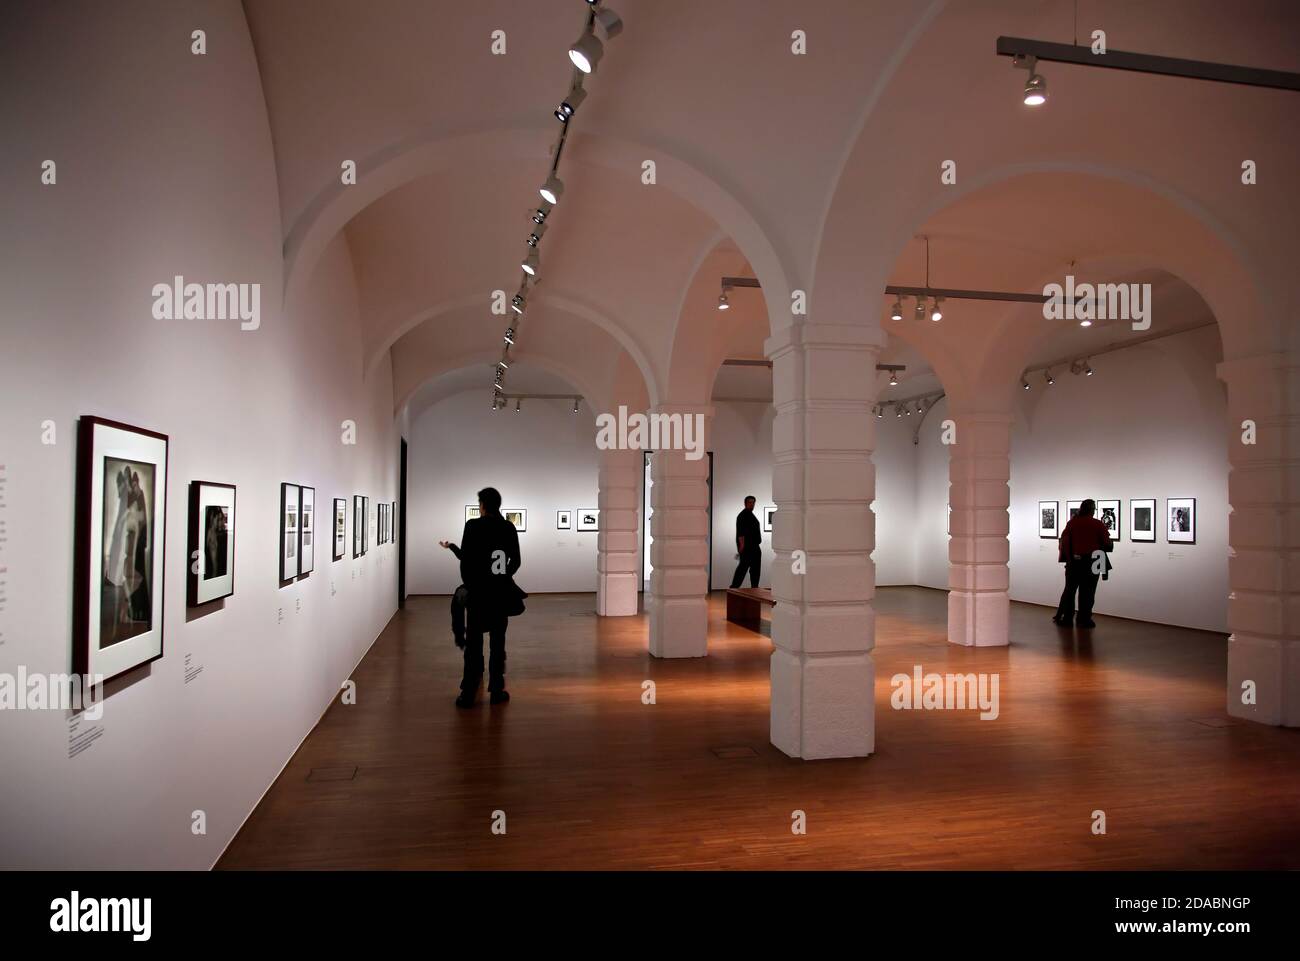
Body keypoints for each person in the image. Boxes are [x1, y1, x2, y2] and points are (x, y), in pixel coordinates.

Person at [440, 487, 525, 708]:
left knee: (474, 644)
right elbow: (516, 561)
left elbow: (466, 560)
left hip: (478, 594)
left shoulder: (473, 526)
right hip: (499, 594)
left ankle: (469, 692)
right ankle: (496, 690)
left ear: (483, 505)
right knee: (498, 643)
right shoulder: (508, 527)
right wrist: (504, 576)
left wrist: (470, 582)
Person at [1054, 498, 1113, 629]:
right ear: (1092, 510)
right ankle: (1084, 619)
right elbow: (1107, 543)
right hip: (1094, 561)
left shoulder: (1072, 523)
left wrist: (1069, 558)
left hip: (1074, 562)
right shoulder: (1097, 524)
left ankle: (1067, 618)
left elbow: (1064, 541)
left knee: (1070, 591)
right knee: (1088, 593)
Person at [728, 495, 762, 589]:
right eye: (750, 502)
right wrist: (742, 547)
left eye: (753, 502)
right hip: (748, 547)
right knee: (742, 569)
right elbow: (741, 533)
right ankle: (734, 588)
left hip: (754, 547)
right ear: (745, 503)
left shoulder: (750, 514)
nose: (752, 504)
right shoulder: (743, 515)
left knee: (755, 570)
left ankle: (754, 589)